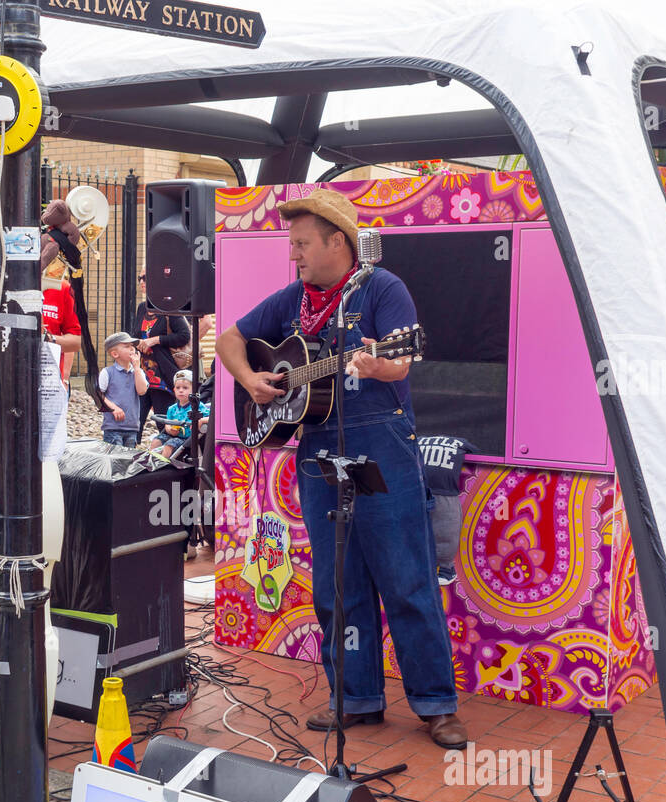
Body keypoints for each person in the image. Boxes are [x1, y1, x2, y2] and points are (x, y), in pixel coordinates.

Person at [214, 188, 468, 749]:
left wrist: (380, 366)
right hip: (318, 449)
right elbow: (230, 339)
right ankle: (354, 697)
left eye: (302, 243)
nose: (294, 254)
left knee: (406, 576)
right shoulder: (293, 300)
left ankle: (435, 704)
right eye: (292, 243)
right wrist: (252, 380)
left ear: (338, 242)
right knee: (336, 582)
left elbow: (402, 357)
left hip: (383, 444)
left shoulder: (384, 289)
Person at [131, 273, 190, 440]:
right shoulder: (142, 308)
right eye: (140, 278)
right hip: (142, 374)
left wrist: (155, 340)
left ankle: (168, 458)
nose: (142, 281)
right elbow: (137, 333)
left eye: (145, 277)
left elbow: (184, 335)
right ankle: (131, 458)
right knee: (136, 422)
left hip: (162, 377)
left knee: (164, 424)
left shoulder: (169, 308)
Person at [97, 332, 148, 448]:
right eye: (127, 346)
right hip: (113, 427)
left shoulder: (138, 372)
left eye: (132, 346)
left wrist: (137, 368)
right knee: (115, 460)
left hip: (132, 427)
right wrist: (112, 407)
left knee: (127, 461)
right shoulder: (107, 372)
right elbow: (98, 394)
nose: (132, 349)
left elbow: (142, 391)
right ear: (115, 354)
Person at [149, 370, 209, 458]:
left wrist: (201, 420)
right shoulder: (172, 408)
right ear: (174, 390)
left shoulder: (198, 406)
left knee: (168, 446)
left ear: (193, 390)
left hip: (187, 438)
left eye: (185, 388)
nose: (181, 390)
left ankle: (163, 466)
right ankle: (150, 463)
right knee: (156, 441)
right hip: (172, 435)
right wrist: (170, 430)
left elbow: (211, 418)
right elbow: (167, 424)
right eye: (178, 388)